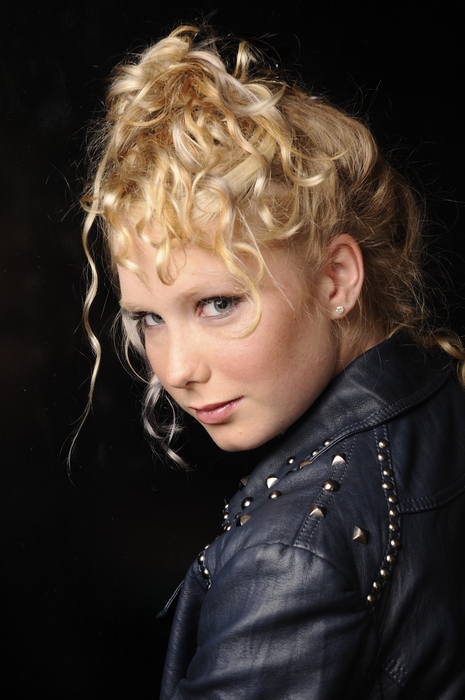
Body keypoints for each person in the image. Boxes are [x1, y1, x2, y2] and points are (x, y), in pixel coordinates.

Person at [81, 24, 465, 699]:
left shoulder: (290, 558)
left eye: (217, 304)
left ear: (336, 279)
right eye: (150, 319)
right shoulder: (439, 389)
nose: (176, 369)